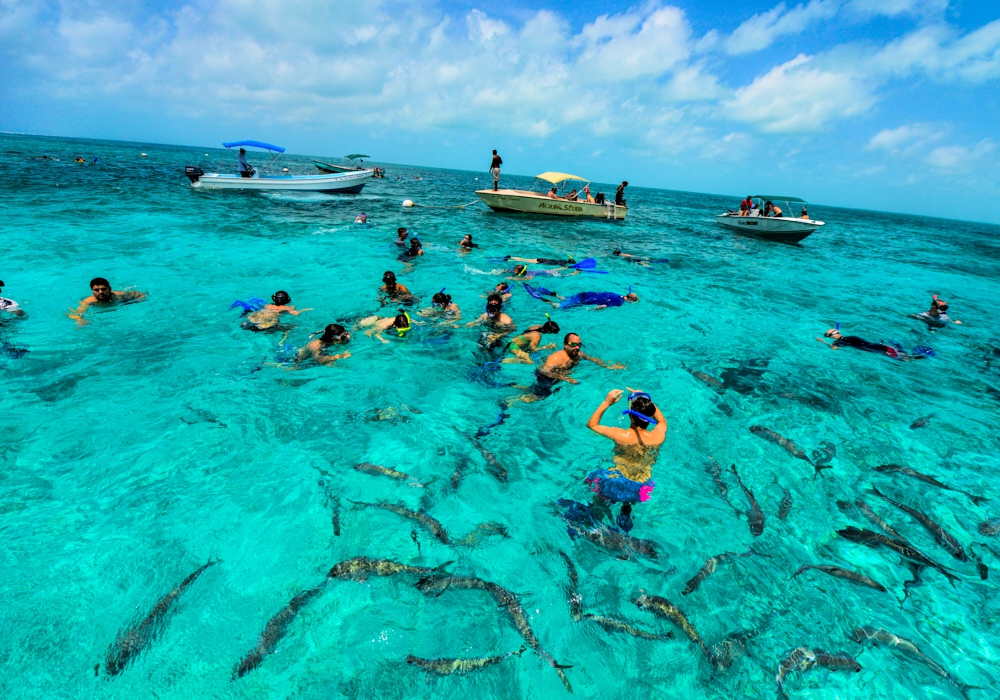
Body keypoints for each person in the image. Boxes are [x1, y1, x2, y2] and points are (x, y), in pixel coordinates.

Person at [585, 388, 667, 532]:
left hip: (616, 481)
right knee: (629, 499)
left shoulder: (621, 435)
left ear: (630, 415)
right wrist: (645, 400)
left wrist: (606, 402)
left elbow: (592, 424)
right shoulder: (658, 437)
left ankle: (593, 527)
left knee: (598, 505)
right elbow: (661, 420)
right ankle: (625, 512)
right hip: (641, 486)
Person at [521, 333, 625, 401]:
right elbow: (545, 371)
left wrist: (609, 366)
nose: (577, 347)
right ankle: (515, 400)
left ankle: (523, 388)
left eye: (579, 344)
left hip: (559, 376)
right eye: (573, 344)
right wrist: (566, 378)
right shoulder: (556, 358)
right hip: (545, 377)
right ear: (565, 345)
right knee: (541, 397)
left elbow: (594, 359)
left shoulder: (579, 355)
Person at [68, 277, 146, 326]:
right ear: (92, 290)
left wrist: (140, 299)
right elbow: (78, 312)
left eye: (103, 289)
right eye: (96, 290)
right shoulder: (88, 301)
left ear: (110, 289)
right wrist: (80, 320)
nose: (101, 292)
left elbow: (139, 294)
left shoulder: (118, 295)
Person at [816, 328, 931, 361]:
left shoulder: (839, 342)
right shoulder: (850, 336)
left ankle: (925, 354)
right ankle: (922, 352)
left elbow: (834, 349)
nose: (837, 332)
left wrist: (823, 342)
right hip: (879, 346)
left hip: (880, 350)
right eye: (836, 332)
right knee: (906, 355)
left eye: (836, 332)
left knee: (906, 360)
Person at [242, 290, 311, 332]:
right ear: (287, 300)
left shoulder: (267, 305)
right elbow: (296, 314)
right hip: (261, 326)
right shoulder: (286, 308)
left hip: (249, 321)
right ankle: (270, 332)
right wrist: (304, 309)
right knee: (293, 327)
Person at [552, 289, 639, 310]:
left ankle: (557, 296)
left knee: (569, 298)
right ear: (630, 300)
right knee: (574, 304)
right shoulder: (619, 302)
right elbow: (604, 306)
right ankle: (556, 305)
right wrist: (592, 309)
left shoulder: (616, 294)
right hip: (591, 300)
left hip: (589, 294)